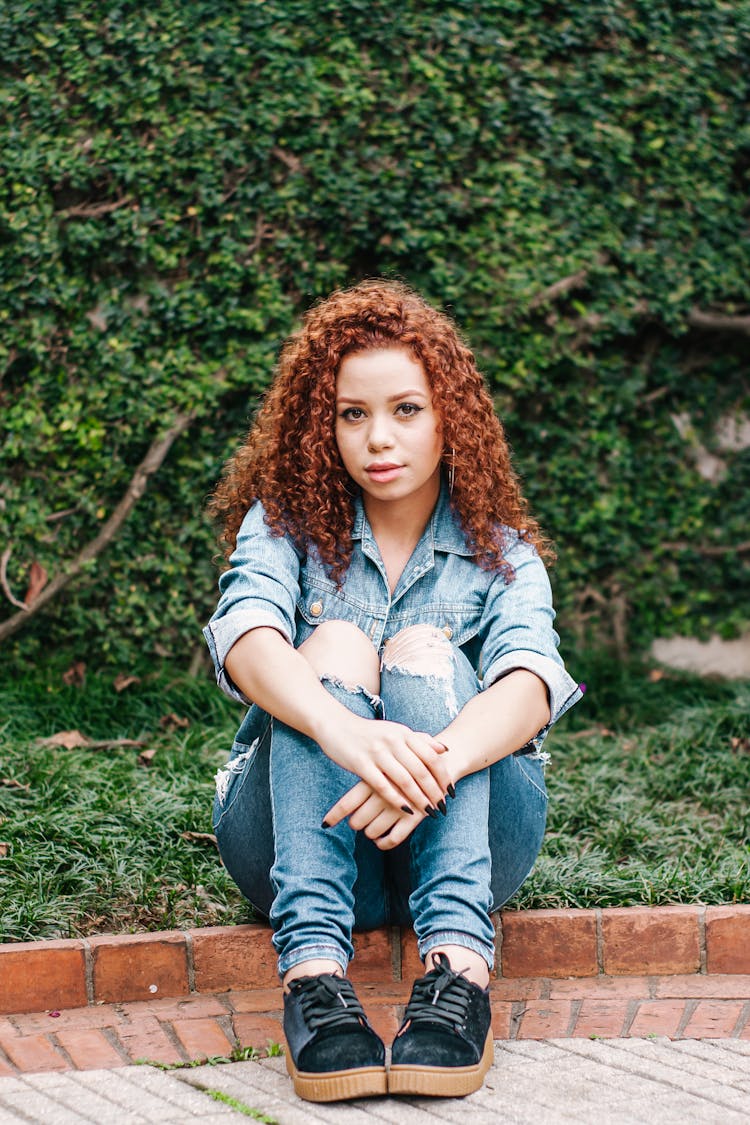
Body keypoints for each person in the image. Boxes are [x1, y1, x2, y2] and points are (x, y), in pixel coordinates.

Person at [203, 279, 582, 1103]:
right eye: (352, 413)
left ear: (450, 416)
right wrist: (348, 734)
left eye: (406, 409)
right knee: (331, 641)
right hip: (293, 842)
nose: (379, 437)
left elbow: (532, 680)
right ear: (323, 423)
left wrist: (432, 763)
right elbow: (243, 639)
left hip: (467, 847)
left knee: (425, 650)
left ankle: (457, 972)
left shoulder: (504, 552)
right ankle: (313, 978)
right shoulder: (285, 525)